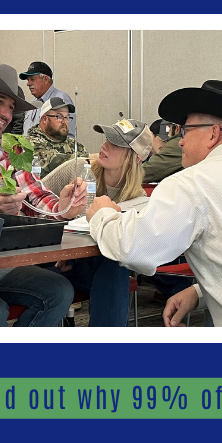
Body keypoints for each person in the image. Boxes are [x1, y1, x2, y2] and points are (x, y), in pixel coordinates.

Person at [86, 80, 222, 328]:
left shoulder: (193, 182)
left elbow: (135, 248)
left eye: (185, 131)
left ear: (213, 134)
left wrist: (103, 214)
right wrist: (199, 292)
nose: (180, 142)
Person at [0, 64, 87, 326]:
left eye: (11, 107)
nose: (6, 114)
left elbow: (34, 194)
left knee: (58, 291)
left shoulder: (9, 149)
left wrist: (62, 206)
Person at [49, 118, 154, 327]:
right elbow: (31, 204)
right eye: (107, 138)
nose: (105, 145)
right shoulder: (78, 169)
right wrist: (60, 215)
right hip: (53, 259)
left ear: (136, 158)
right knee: (115, 270)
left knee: (115, 262)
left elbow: (137, 252)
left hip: (90, 265)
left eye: (116, 143)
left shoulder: (138, 198)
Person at [27, 96, 89, 176]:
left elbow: (88, 167)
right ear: (45, 119)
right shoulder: (30, 143)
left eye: (66, 117)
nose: (64, 121)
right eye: (59, 117)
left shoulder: (73, 144)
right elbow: (51, 162)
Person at [19, 61, 75, 135]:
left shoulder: (61, 99)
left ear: (45, 79)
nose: (28, 84)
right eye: (28, 80)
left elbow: (68, 136)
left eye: (32, 79)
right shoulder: (33, 102)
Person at [142, 118, 184, 184]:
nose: (166, 145)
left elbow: (145, 173)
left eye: (168, 141)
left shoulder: (177, 146)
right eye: (163, 141)